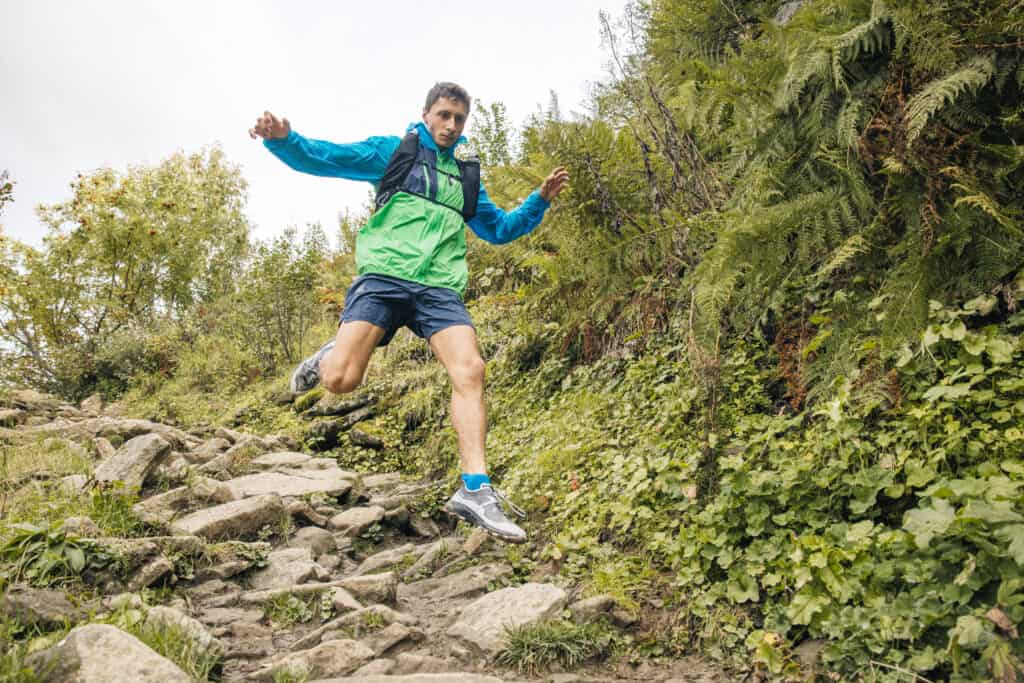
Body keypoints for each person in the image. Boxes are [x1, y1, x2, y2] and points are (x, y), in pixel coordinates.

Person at [249, 82, 569, 543]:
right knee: (341, 381)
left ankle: (476, 490)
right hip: (384, 276)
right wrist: (283, 139)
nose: (451, 125)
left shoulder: (465, 179)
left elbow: (499, 230)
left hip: (439, 287)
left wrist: (538, 200)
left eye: (459, 119)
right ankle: (329, 356)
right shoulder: (393, 152)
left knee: (471, 369)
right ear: (426, 114)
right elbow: (325, 157)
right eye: (443, 115)